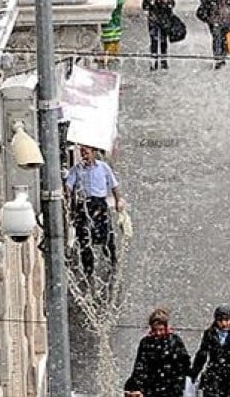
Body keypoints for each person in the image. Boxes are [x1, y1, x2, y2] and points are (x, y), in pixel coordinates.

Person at [64, 145, 122, 276]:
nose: (84, 155)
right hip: (84, 204)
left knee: (106, 234)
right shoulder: (77, 169)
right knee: (84, 236)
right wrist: (67, 195)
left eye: (87, 152)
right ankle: (88, 269)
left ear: (94, 153)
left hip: (99, 203)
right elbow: (69, 186)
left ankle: (112, 263)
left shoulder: (103, 167)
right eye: (82, 152)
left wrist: (119, 200)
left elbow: (114, 185)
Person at [124, 308, 192, 397]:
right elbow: (140, 366)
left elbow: (184, 363)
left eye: (161, 329)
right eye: (155, 330)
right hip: (153, 388)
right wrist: (135, 385)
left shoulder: (175, 341)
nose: (158, 333)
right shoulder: (146, 343)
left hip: (170, 388)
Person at [191, 305, 230, 397]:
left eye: (226, 320)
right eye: (220, 320)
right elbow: (202, 355)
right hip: (214, 376)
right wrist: (194, 373)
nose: (224, 323)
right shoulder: (210, 334)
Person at [142, 0, 176, 71]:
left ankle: (164, 61)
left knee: (163, 41)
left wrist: (166, 2)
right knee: (154, 40)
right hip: (153, 19)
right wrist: (149, 3)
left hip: (164, 19)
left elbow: (172, 4)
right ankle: (154, 62)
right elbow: (144, 6)